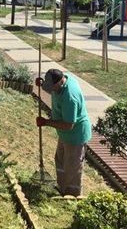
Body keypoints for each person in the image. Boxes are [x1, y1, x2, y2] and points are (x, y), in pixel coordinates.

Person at [36, 68, 91, 196]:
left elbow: (68, 125)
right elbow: (50, 86)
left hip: (75, 136)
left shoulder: (70, 97)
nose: (51, 90)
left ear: (61, 82)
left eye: (52, 87)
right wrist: (42, 84)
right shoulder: (61, 81)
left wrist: (46, 122)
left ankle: (72, 196)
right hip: (64, 134)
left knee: (72, 168)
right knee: (60, 160)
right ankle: (62, 188)